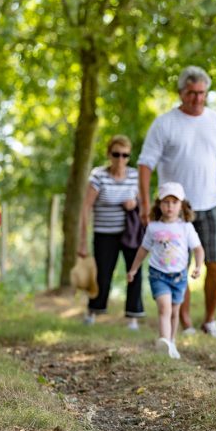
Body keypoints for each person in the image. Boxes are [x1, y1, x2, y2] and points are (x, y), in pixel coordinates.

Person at [137, 66, 216, 338]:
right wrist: (146, 203)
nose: (197, 98)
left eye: (202, 93)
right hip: (176, 210)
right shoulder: (164, 123)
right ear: (181, 93)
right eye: (191, 93)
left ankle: (210, 319)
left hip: (211, 203)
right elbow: (146, 164)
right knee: (176, 266)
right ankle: (184, 322)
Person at [126, 182, 204, 359]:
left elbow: (198, 249)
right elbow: (143, 250)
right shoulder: (153, 227)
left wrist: (198, 266)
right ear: (159, 204)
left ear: (181, 205)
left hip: (179, 276)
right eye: (166, 202)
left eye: (174, 202)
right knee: (164, 308)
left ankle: (171, 342)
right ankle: (164, 341)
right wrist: (133, 269)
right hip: (158, 274)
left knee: (175, 312)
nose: (170, 206)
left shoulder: (186, 227)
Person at [78, 135, 144, 328]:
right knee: (103, 274)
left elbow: (144, 204)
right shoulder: (98, 176)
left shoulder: (135, 176)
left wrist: (135, 203)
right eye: (116, 154)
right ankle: (93, 311)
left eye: (125, 155)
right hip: (104, 233)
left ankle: (133, 316)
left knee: (134, 272)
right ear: (109, 154)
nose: (120, 159)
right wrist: (82, 240)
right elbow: (86, 208)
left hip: (130, 233)